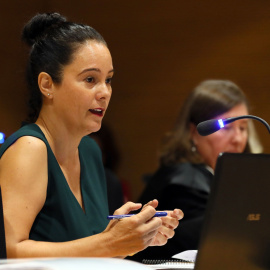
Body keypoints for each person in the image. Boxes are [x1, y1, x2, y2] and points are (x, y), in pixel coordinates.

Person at [0, 12, 183, 258]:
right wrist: (110, 243)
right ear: (47, 85)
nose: (105, 92)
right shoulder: (30, 148)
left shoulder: (89, 150)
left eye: (108, 80)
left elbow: (88, 251)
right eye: (90, 79)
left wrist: (133, 238)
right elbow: (9, 250)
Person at [130, 79, 263, 261]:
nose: (238, 139)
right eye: (226, 127)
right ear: (194, 132)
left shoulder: (219, 178)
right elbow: (225, 241)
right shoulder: (184, 183)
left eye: (243, 128)